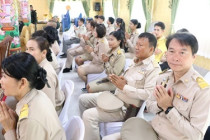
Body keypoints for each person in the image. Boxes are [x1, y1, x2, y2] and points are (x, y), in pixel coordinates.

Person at [108, 32, 210, 140]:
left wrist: (168, 108)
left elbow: (196, 135)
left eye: (182, 53)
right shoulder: (163, 77)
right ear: (166, 53)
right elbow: (149, 105)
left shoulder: (202, 91)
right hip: (152, 129)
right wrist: (160, 105)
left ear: (194, 57)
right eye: (171, 51)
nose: (175, 58)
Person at [79, 32, 161, 140]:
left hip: (125, 108)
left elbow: (148, 94)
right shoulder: (135, 61)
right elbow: (127, 80)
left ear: (151, 49)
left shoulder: (153, 69)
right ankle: (91, 132)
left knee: (88, 115)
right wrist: (122, 80)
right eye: (136, 44)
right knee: (82, 99)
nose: (136, 47)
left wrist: (124, 87)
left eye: (140, 45)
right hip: (115, 97)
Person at [0, 52, 66, 139]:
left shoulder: (30, 121)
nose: (1, 81)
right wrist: (16, 122)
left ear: (22, 83)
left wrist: (9, 129)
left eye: (4, 76)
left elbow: (29, 124)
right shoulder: (38, 94)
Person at [26, 37, 65, 115]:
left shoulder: (46, 75)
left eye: (31, 49)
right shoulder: (39, 65)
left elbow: (49, 107)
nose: (27, 52)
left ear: (43, 53)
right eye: (27, 49)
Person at [77, 24, 109, 90]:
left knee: (80, 70)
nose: (93, 32)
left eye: (95, 31)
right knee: (80, 68)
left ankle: (88, 85)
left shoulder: (103, 43)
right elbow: (95, 50)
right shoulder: (98, 40)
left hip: (99, 66)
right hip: (94, 62)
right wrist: (91, 49)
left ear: (98, 32)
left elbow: (100, 60)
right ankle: (87, 85)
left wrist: (91, 52)